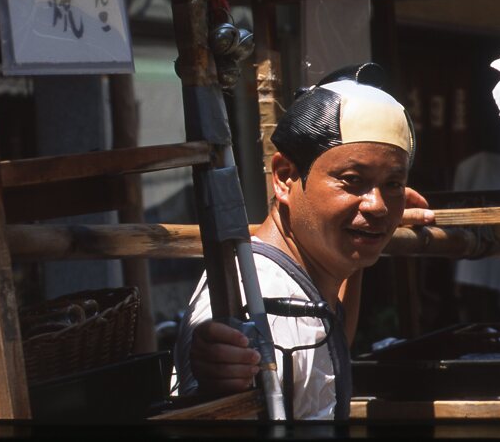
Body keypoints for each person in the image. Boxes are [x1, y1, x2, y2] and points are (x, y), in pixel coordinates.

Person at [171, 63, 435, 420]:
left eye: (392, 184)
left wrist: (365, 230)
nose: (378, 205)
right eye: (353, 179)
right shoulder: (258, 303)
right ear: (284, 177)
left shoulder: (300, 282)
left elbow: (328, 335)